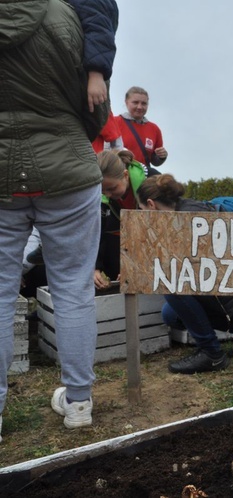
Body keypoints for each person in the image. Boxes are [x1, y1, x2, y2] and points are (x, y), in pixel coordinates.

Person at [0, 0, 116, 440]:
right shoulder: (64, 15)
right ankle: (79, 402)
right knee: (73, 287)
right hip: (67, 166)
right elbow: (97, 107)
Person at [135, 174, 233, 374]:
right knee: (171, 314)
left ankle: (212, 355)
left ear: (151, 205)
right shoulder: (186, 209)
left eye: (142, 211)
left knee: (172, 284)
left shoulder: (188, 219)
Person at [96, 149, 155, 289]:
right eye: (103, 191)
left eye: (112, 188)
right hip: (119, 248)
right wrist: (95, 267)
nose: (108, 195)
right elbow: (97, 231)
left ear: (126, 175)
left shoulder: (153, 182)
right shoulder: (103, 198)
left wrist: (136, 264)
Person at [113, 86, 168, 173]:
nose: (139, 107)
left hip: (141, 178)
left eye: (144, 103)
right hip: (119, 175)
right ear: (126, 102)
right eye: (135, 102)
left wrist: (162, 156)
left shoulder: (154, 129)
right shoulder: (114, 122)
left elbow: (154, 161)